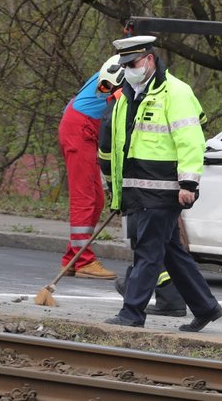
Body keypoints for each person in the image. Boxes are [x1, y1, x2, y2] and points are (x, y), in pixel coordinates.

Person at [101, 35, 222, 331]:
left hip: (162, 190)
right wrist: (116, 192)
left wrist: (189, 185)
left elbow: (191, 142)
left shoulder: (176, 92)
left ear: (149, 60)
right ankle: (206, 307)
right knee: (171, 253)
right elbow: (119, 148)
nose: (128, 69)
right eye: (125, 64)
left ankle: (131, 313)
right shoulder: (127, 95)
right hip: (138, 189)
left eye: (132, 63)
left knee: (148, 252)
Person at [56, 56, 123, 279]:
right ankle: (84, 261)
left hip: (82, 126)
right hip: (80, 128)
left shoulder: (121, 65)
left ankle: (72, 258)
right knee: (84, 197)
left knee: (97, 199)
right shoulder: (126, 75)